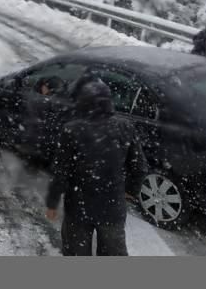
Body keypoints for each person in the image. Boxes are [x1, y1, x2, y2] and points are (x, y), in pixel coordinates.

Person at [45, 80, 147, 256]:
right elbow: (139, 166)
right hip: (112, 207)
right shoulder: (125, 126)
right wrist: (131, 190)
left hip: (79, 208)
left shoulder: (72, 130)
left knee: (76, 252)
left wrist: (52, 203)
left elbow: (61, 172)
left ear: (83, 103)